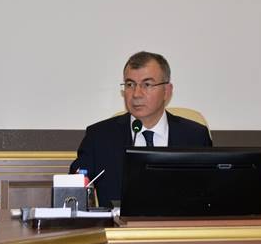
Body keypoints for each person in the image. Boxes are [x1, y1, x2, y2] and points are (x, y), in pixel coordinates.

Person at [70, 51, 211, 207]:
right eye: (130, 85)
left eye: (147, 84)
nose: (136, 94)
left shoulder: (195, 136)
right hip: (118, 223)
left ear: (167, 91)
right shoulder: (99, 137)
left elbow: (211, 196)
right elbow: (73, 193)